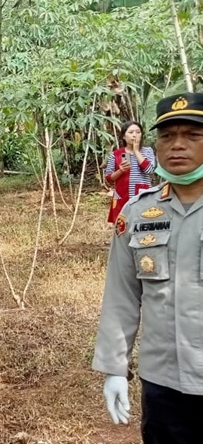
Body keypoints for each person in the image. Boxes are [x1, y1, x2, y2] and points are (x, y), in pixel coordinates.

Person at [93, 92, 203, 442]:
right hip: (164, 383)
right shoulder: (138, 214)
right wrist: (114, 368)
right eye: (167, 136)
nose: (177, 146)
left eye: (192, 135)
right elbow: (121, 297)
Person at [105, 120, 156, 223]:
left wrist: (136, 151)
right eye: (131, 132)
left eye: (138, 132)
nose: (135, 135)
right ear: (124, 136)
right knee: (122, 226)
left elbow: (149, 170)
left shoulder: (148, 151)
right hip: (122, 196)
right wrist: (120, 171)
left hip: (142, 195)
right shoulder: (117, 154)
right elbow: (109, 178)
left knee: (142, 225)